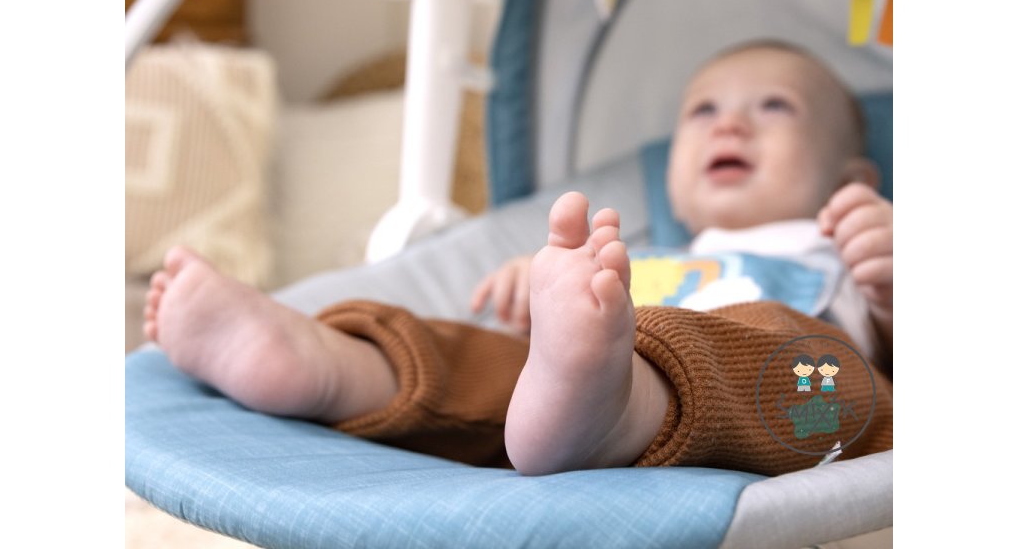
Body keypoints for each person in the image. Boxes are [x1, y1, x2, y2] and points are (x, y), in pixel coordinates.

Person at [143, 40, 893, 477]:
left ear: (852, 178)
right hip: (574, 402)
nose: (729, 123)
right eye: (703, 110)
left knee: (799, 354)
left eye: (774, 106)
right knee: (488, 365)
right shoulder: (641, 257)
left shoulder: (854, 241)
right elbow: (563, 339)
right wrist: (543, 302)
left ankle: (617, 405)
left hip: (802, 398)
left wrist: (895, 286)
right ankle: (338, 368)